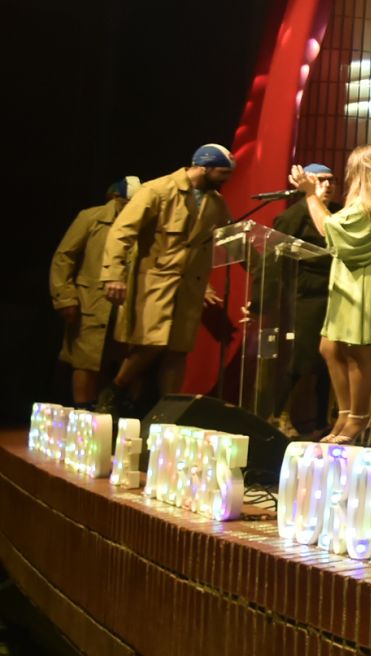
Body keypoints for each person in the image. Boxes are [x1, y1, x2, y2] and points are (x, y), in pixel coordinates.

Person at [288, 145, 371, 444]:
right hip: (347, 282)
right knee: (329, 348)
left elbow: (329, 229)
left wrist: (310, 194)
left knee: (356, 351)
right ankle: (345, 413)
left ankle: (357, 417)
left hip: (363, 284)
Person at [98, 143, 235, 406]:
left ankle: (167, 410)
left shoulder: (215, 202)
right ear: (204, 167)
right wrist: (113, 275)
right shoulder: (158, 190)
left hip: (188, 289)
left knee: (178, 350)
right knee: (150, 344)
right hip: (154, 282)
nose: (226, 180)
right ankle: (114, 391)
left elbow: (233, 236)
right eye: (222, 173)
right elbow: (121, 233)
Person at [50, 178, 135, 407]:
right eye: (128, 201)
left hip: (125, 303)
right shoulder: (92, 217)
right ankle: (82, 411)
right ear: (117, 198)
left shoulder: (141, 222)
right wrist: (65, 296)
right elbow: (64, 257)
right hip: (91, 300)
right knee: (86, 359)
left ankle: (107, 409)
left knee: (118, 358)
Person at [266, 163, 336, 437]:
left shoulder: (338, 212)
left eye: (331, 180)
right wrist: (266, 301)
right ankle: (279, 413)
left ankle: (322, 419)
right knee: (301, 359)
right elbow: (273, 260)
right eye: (321, 180)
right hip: (305, 296)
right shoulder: (292, 216)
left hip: (335, 295)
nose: (328, 185)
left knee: (329, 362)